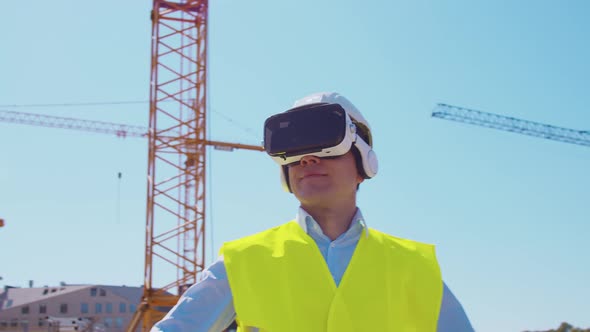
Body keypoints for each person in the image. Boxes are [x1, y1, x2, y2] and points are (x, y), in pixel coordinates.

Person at [152, 92, 474, 332]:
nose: (307, 159)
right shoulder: (240, 262)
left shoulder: (416, 269)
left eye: (325, 145)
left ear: (363, 166)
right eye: (295, 152)